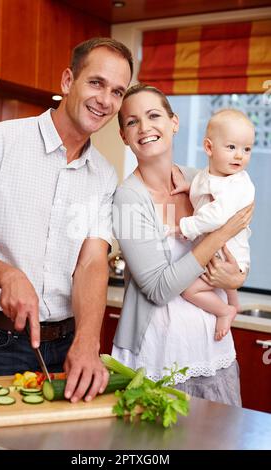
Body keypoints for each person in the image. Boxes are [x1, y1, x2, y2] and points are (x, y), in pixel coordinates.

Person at [0, 37, 133, 403]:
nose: (105, 100)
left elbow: (92, 263)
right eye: (96, 82)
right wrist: (6, 274)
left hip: (64, 348)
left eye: (117, 91)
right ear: (67, 81)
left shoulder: (105, 175)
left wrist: (88, 342)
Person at [112, 84, 253, 406]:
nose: (145, 127)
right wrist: (219, 234)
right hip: (160, 355)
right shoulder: (128, 199)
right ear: (123, 136)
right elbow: (159, 289)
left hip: (213, 350)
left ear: (173, 123)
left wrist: (237, 279)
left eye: (153, 115)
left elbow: (240, 230)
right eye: (132, 121)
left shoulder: (201, 178)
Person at [179, 109, 255, 341]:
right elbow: (202, 191)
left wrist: (186, 226)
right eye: (232, 147)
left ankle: (225, 310)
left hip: (231, 255)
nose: (239, 156)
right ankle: (233, 301)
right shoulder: (206, 176)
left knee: (189, 290)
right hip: (217, 251)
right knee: (223, 280)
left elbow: (216, 216)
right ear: (209, 148)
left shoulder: (239, 184)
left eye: (246, 149)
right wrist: (188, 188)